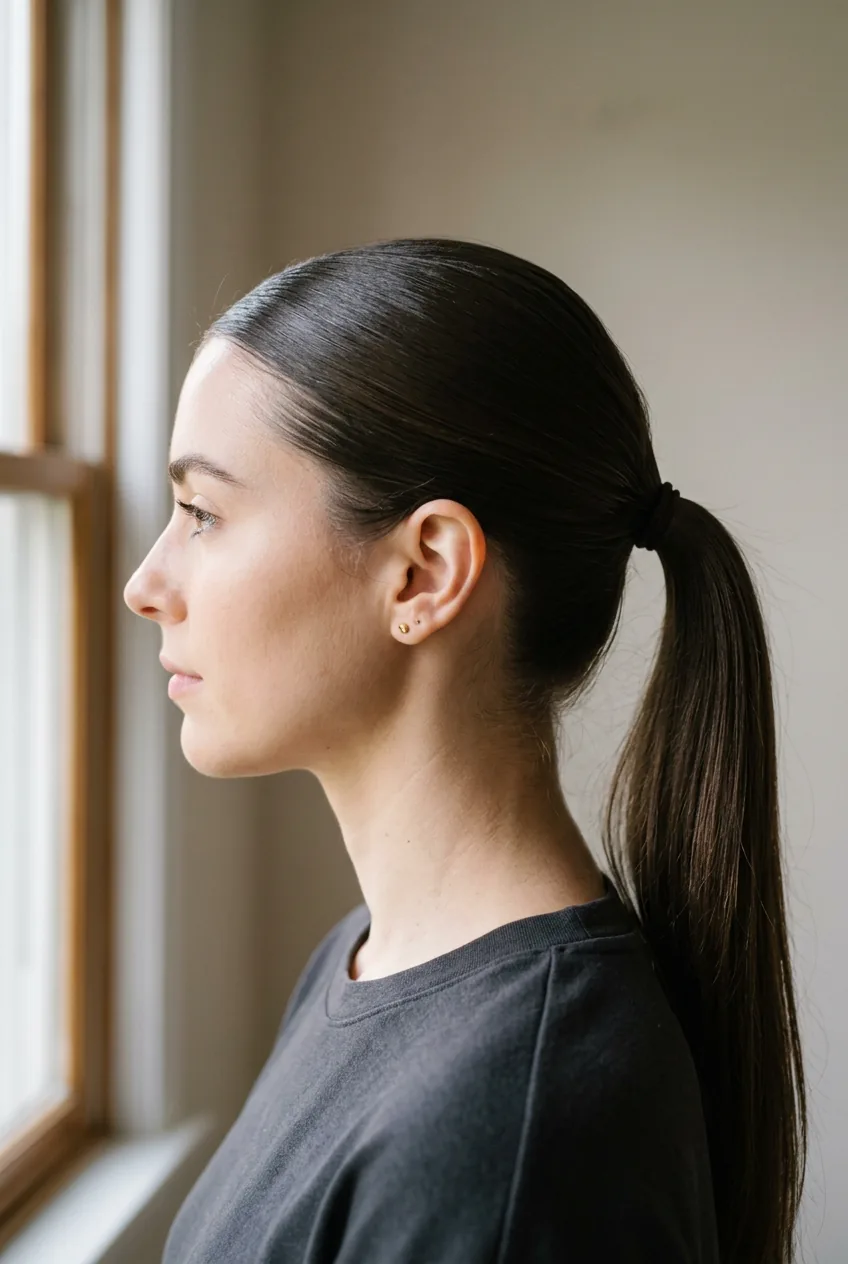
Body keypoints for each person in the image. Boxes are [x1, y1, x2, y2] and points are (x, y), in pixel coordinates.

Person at [123, 237, 807, 1263]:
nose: (145, 585)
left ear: (424, 573)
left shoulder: (513, 1142)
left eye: (202, 513)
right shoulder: (368, 959)